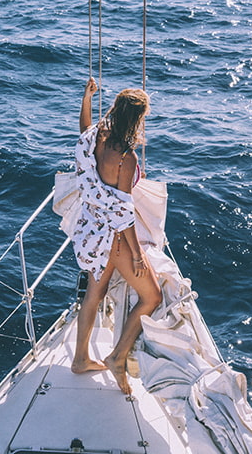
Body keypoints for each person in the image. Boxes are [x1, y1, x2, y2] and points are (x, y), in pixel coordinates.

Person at [71, 77, 162, 394]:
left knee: (93, 295)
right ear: (136, 119)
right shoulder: (127, 157)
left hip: (90, 231)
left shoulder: (97, 136)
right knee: (152, 297)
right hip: (115, 239)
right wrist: (137, 255)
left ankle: (80, 359)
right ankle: (118, 357)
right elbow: (123, 214)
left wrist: (86, 97)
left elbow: (83, 131)